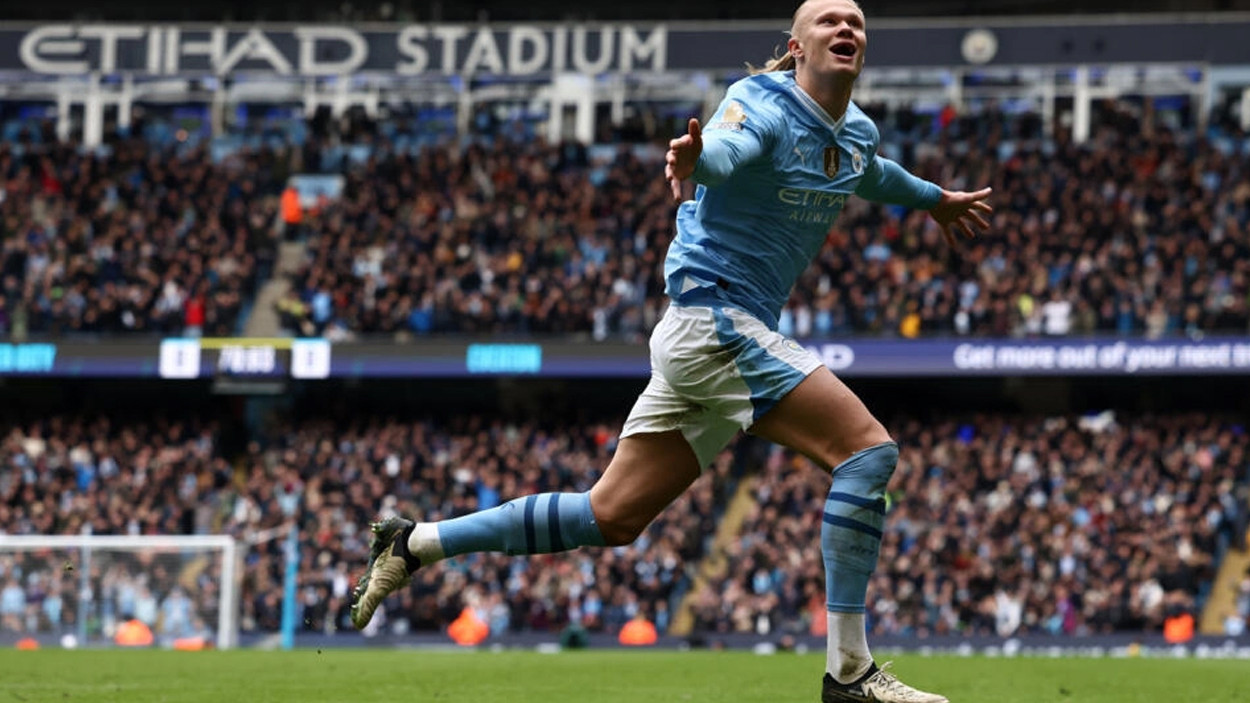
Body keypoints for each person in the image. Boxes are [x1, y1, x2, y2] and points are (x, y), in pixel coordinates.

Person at [351, 1, 991, 701]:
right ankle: (851, 673)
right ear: (796, 45)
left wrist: (933, 199)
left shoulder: (855, 132)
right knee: (867, 453)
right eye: (829, 20)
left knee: (611, 515)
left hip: (707, 333)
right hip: (714, 320)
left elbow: (870, 170)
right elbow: (728, 151)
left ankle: (413, 543)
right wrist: (698, 159)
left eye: (857, 22)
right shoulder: (760, 103)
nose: (846, 28)